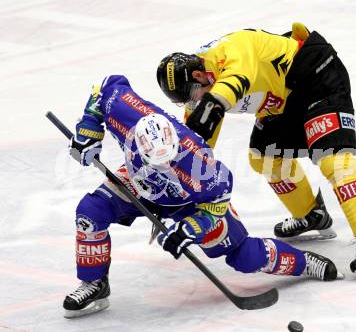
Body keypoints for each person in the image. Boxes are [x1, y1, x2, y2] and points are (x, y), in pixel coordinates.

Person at [63, 75, 341, 318]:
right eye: (153, 161)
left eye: (167, 161)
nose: (162, 167)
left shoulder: (198, 164)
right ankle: (95, 284)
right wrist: (89, 129)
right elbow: (104, 89)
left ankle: (305, 262)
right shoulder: (128, 113)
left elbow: (216, 205)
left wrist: (190, 229)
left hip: (191, 202)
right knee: (90, 212)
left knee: (243, 256)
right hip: (138, 182)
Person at [156, 24, 356, 280]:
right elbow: (197, 143)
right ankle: (312, 214)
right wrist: (171, 180)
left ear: (199, 75)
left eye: (192, 96)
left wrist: (212, 104)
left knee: (333, 160)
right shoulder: (200, 90)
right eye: (184, 101)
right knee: (265, 158)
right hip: (283, 98)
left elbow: (232, 84)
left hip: (316, 74)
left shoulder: (230, 52)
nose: (192, 103)